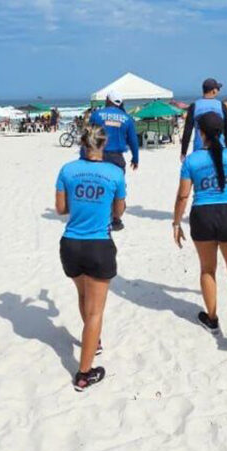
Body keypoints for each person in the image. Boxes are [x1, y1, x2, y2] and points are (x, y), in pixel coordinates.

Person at [172, 112, 227, 346]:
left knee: (207, 270)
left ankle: (212, 319)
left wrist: (176, 223)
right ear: (221, 132)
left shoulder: (191, 161)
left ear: (200, 133)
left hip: (202, 216)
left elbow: (183, 196)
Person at [55, 125, 126, 391]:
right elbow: (119, 211)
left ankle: (92, 341)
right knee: (95, 310)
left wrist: (81, 202)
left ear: (83, 143)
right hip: (98, 244)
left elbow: (61, 208)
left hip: (71, 244)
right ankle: (84, 374)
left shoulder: (67, 170)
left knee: (83, 294)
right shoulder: (115, 173)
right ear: (103, 144)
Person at [89, 91, 138, 230]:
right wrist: (135, 158)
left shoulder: (97, 115)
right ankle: (116, 219)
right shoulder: (127, 118)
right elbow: (133, 140)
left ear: (108, 100)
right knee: (118, 187)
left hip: (99, 156)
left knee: (98, 185)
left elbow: (89, 137)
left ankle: (97, 217)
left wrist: (84, 157)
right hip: (117, 158)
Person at [180, 78, 227, 161]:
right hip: (220, 148)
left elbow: (187, 131)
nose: (218, 91)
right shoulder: (221, 106)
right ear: (214, 91)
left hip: (199, 148)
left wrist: (183, 152)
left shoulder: (194, 106)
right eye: (218, 89)